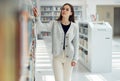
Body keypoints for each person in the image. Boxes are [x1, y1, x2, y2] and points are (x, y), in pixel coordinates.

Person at [33, 3, 79, 81]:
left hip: (69, 57)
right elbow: (41, 27)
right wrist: (37, 17)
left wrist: (75, 59)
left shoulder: (75, 26)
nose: (64, 10)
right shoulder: (54, 24)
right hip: (57, 57)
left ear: (71, 13)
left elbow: (76, 43)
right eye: (63, 9)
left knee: (67, 79)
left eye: (67, 9)